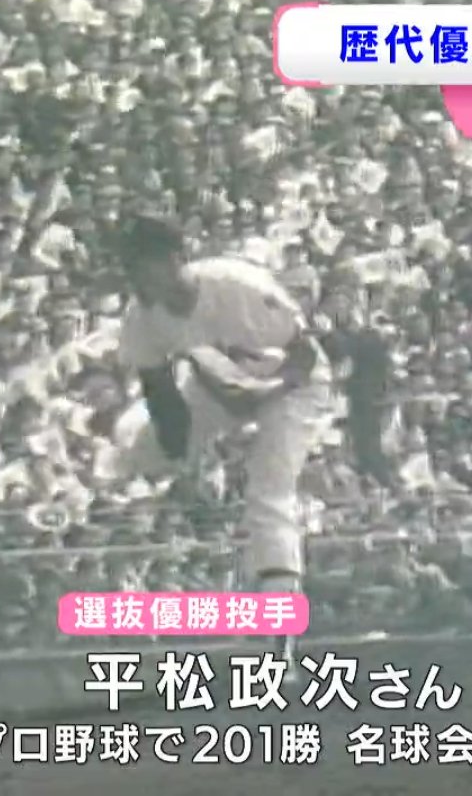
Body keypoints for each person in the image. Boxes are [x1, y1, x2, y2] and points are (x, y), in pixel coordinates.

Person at [94, 214, 333, 670]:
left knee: (269, 493)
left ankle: (280, 641)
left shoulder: (234, 283)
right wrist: (179, 453)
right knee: (135, 448)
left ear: (175, 258)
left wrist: (266, 391)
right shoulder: (142, 317)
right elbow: (161, 396)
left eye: (144, 263)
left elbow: (305, 353)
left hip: (294, 385)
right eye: (130, 267)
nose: (137, 276)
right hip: (220, 390)